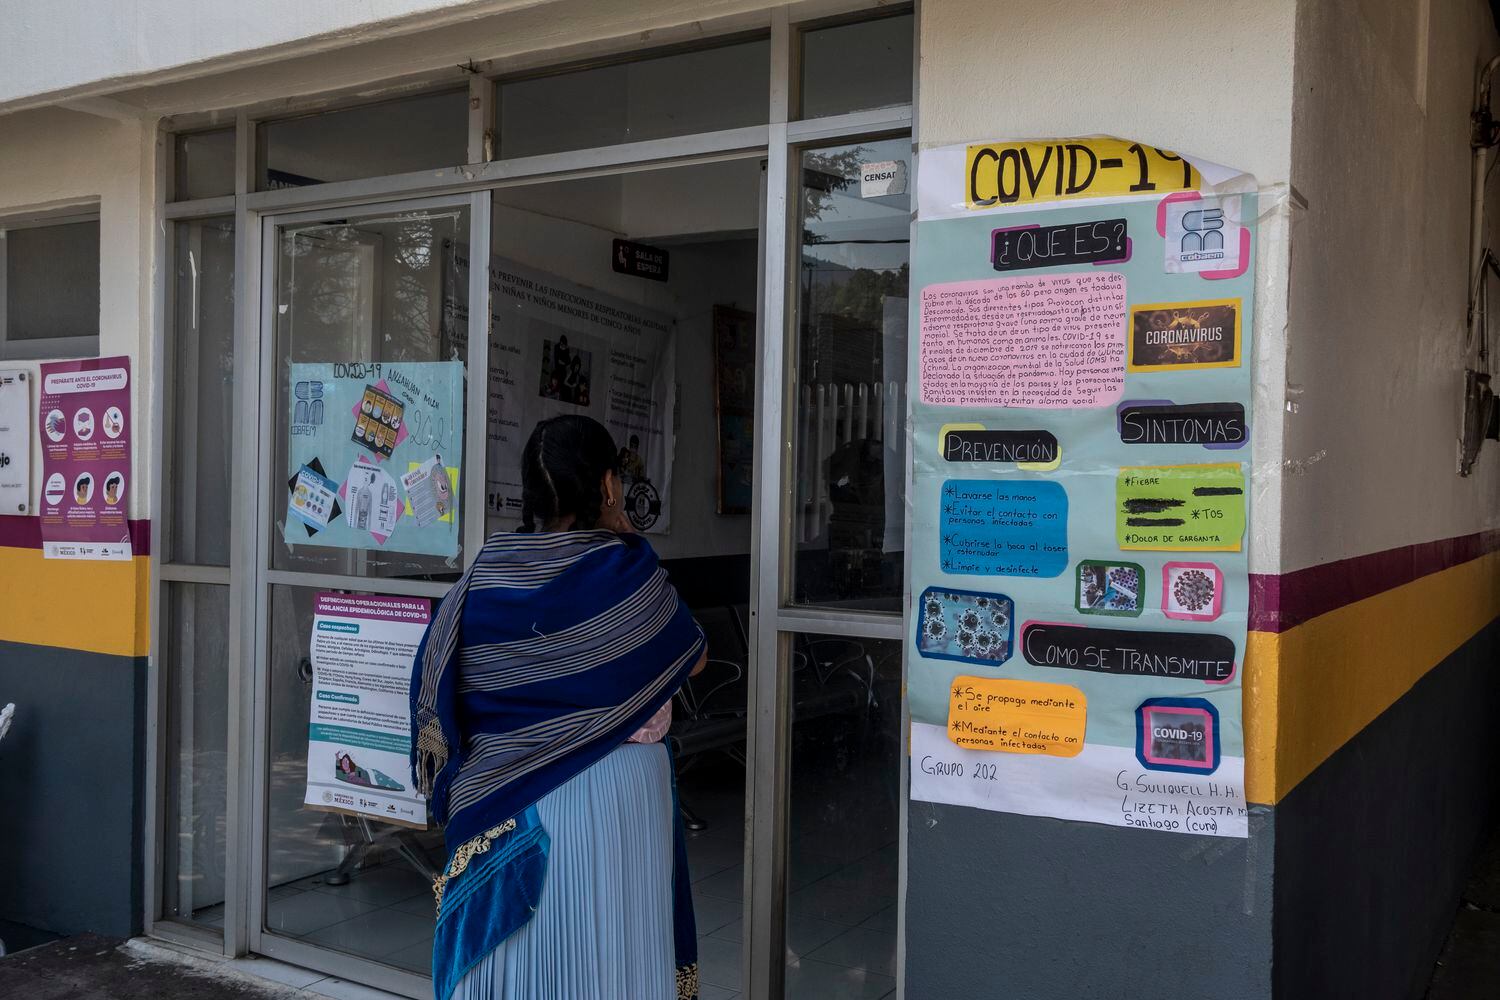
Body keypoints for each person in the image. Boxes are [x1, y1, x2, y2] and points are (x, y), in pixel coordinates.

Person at [411, 414, 706, 1000]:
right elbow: (691, 657)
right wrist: (623, 531)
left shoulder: (485, 574)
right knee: (611, 956)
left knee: (524, 970)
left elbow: (442, 676)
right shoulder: (623, 569)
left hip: (507, 806)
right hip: (616, 801)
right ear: (607, 486)